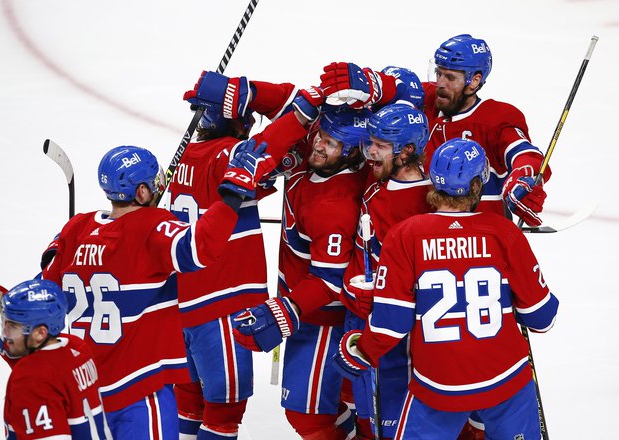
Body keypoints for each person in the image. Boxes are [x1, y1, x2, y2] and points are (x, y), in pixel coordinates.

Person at [41, 141, 272, 439]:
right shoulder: (152, 226)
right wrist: (231, 194)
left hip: (86, 391)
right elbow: (198, 248)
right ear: (141, 192)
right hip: (139, 391)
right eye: (155, 180)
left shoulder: (78, 227)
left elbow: (47, 284)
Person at [334, 138, 559, 439]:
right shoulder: (504, 231)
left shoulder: (405, 235)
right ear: (478, 183)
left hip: (437, 386)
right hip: (507, 382)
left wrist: (361, 351)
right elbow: (542, 318)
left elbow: (392, 323)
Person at [167, 70, 317, 439]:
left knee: (188, 405)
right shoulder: (226, 156)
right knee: (223, 415)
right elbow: (263, 149)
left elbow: (250, 184)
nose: (250, 120)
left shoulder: (186, 155)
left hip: (180, 303)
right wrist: (300, 113)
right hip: (220, 304)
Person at [232, 106, 371, 439]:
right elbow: (291, 102)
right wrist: (254, 93)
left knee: (306, 413)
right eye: (321, 135)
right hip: (304, 308)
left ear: (351, 152)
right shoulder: (319, 153)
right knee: (337, 404)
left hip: (324, 320)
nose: (319, 145)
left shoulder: (335, 206)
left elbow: (329, 280)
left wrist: (283, 311)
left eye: (331, 143)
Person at [319, 34, 551, 228]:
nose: (440, 82)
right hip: (419, 235)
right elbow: (402, 85)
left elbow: (526, 155)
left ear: (475, 80)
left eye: (450, 77)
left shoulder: (497, 117)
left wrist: (523, 177)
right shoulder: (430, 100)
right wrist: (374, 84)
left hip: (474, 238)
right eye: (439, 73)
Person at [341, 102, 431, 439]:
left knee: (394, 427)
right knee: (366, 420)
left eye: (381, 146)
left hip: (396, 339)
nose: (370, 152)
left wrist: (378, 293)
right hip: (360, 319)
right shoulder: (379, 177)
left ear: (408, 151)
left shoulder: (422, 206)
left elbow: (419, 284)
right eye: (371, 142)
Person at [0, 279, 110, 439]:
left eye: (13, 327)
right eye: (4, 324)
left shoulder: (31, 378)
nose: (6, 335)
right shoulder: (78, 348)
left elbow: (39, 377)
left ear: (40, 333)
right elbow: (52, 369)